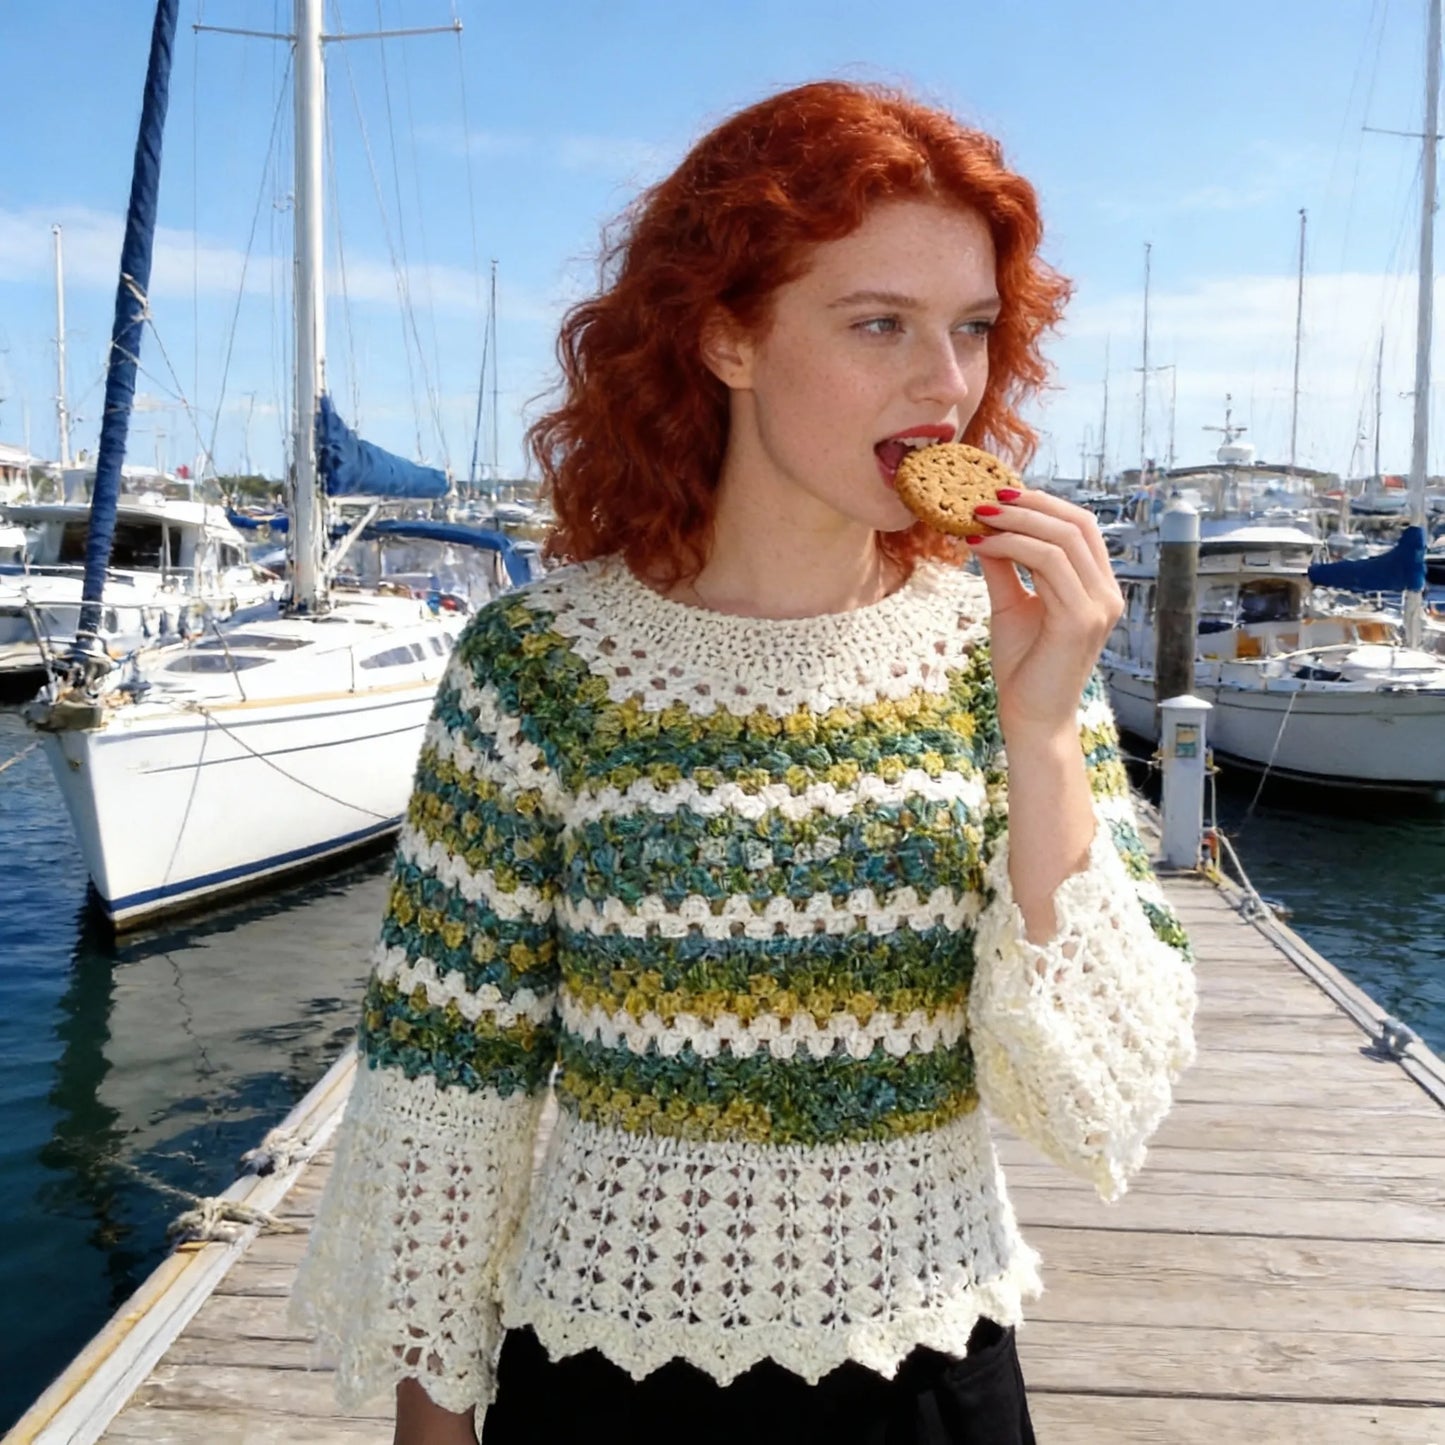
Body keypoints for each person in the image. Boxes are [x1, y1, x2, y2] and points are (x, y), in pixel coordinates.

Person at [290, 79, 1197, 1445]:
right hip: (601, 1374)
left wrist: (1040, 727)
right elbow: (448, 1080)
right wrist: (432, 1423)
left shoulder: (994, 649)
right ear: (725, 337)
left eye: (967, 330)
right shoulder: (540, 666)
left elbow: (1092, 1093)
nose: (945, 384)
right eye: (878, 323)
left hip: (926, 1370)